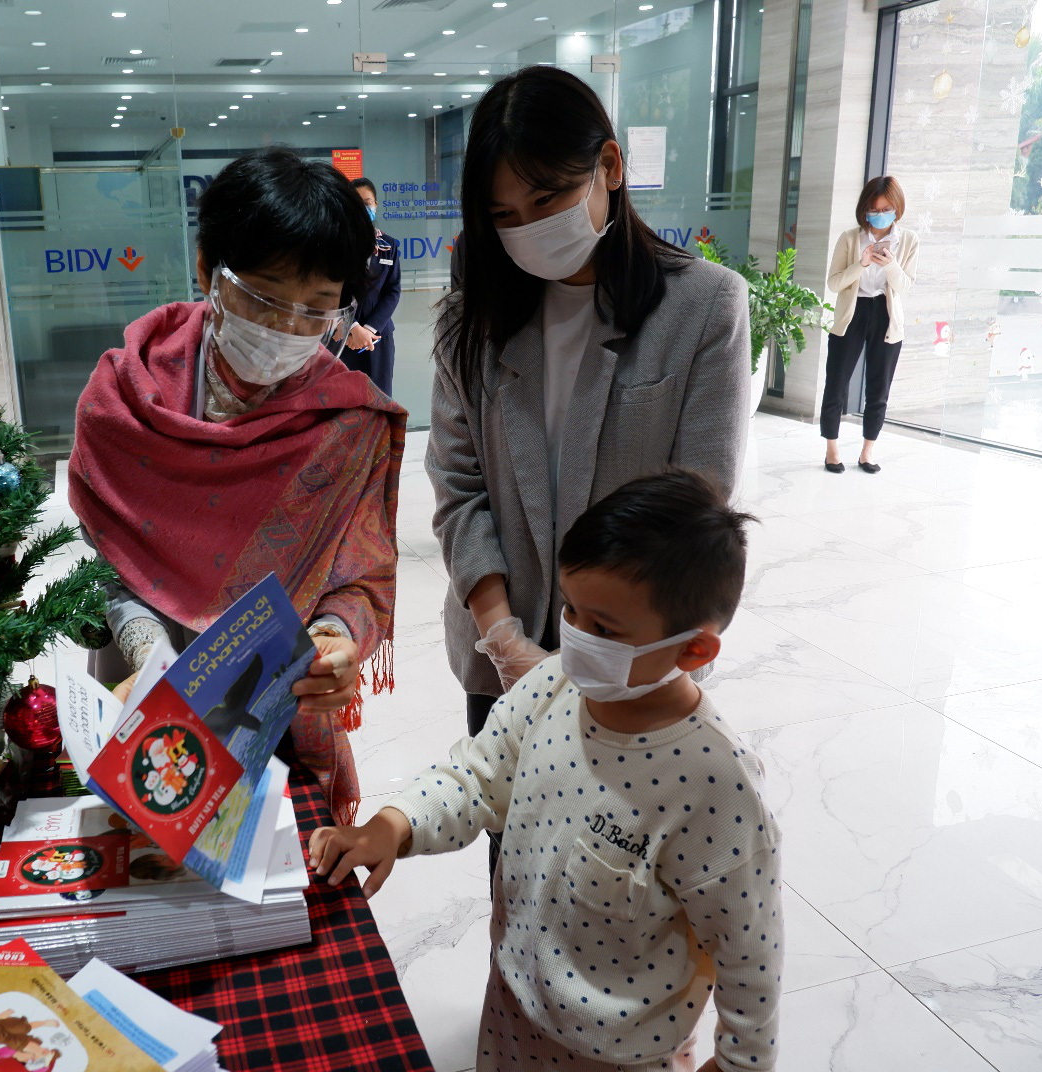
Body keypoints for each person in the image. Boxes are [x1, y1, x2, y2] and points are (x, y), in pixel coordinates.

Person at [310, 470, 781, 1072]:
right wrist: (395, 823)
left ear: (694, 649)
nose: (576, 636)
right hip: (511, 1012)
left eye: (604, 629)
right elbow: (475, 776)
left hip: (621, 1055)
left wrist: (740, 1062)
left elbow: (751, 956)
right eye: (572, 610)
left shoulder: (716, 788)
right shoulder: (551, 686)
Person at [429, 65, 750, 853]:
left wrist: (596, 653)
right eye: (504, 213)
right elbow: (459, 487)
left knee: (624, 893)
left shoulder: (704, 306)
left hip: (631, 668)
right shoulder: (472, 320)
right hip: (499, 656)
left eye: (546, 201)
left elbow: (695, 508)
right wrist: (505, 640)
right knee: (518, 878)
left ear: (610, 167)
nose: (528, 227)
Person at [68, 146, 405, 825]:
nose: (287, 329)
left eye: (317, 309)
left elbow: (362, 574)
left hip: (277, 710)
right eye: (265, 298)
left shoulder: (349, 422)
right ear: (207, 271)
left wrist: (339, 639)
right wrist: (151, 655)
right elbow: (106, 557)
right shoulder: (124, 397)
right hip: (140, 694)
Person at [820, 176, 918, 474]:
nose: (880, 214)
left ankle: (867, 452)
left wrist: (889, 263)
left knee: (879, 389)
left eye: (887, 208)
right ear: (865, 209)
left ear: (897, 208)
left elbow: (904, 287)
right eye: (874, 209)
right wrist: (861, 264)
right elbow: (834, 283)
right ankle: (832, 450)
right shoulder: (850, 238)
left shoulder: (909, 240)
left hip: (887, 316)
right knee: (836, 384)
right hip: (853, 312)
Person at [340, 177, 401, 396]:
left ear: (376, 205)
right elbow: (333, 292)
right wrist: (353, 327)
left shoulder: (389, 245)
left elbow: (393, 291)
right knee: (345, 398)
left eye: (368, 203)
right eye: (357, 204)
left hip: (378, 337)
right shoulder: (335, 245)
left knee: (380, 397)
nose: (364, 208)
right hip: (343, 336)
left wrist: (369, 329)